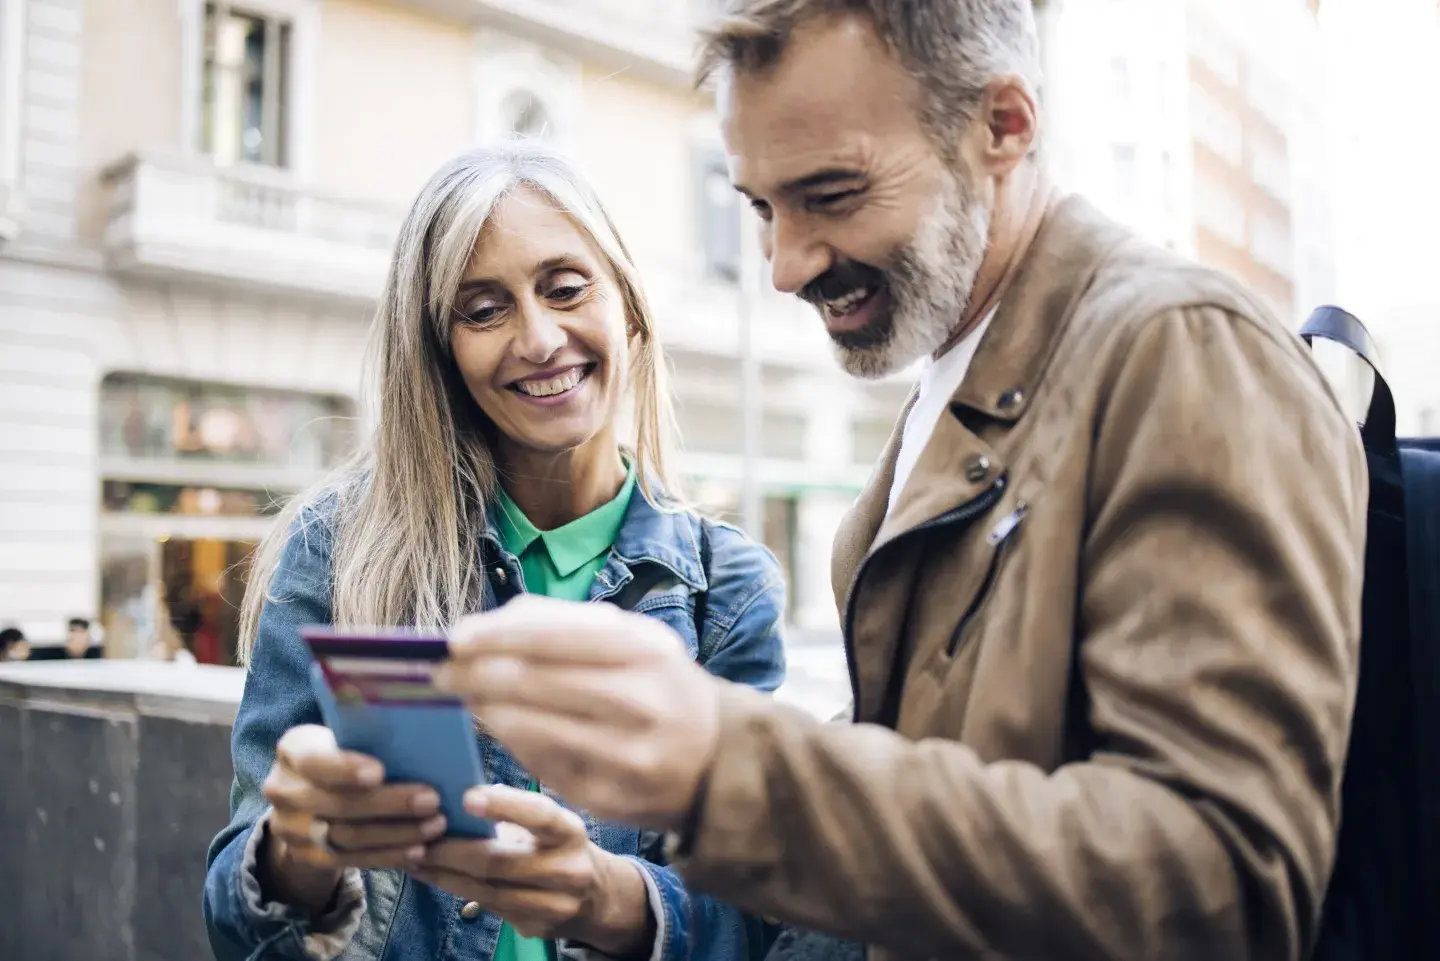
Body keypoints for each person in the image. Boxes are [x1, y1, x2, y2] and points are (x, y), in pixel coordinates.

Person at [431, 4, 1369, 961]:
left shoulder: (1182, 352)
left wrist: (729, 770)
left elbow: (1221, 886)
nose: (786, 266)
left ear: (1004, 125)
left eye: (831, 194)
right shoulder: (958, 373)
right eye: (760, 207)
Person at [203, 141, 787, 961]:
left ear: (629, 304)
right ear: (439, 351)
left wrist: (604, 896)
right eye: (483, 309)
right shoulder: (336, 550)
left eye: (566, 287)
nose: (541, 338)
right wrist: (299, 846)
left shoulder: (728, 590)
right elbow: (237, 915)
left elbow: (766, 920)